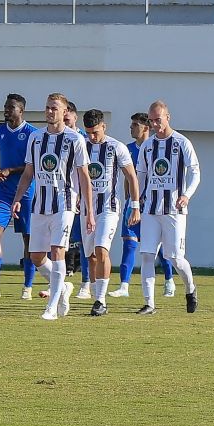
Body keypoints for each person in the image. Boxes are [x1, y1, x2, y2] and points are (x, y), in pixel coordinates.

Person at [10, 93, 93, 321]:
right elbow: (29, 172)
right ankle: (63, 287)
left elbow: (84, 176)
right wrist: (17, 198)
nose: (49, 112)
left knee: (58, 252)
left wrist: (89, 210)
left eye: (54, 108)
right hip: (40, 204)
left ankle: (51, 306)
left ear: (64, 111)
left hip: (64, 204)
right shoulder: (36, 138)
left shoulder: (74, 139)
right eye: (47, 107)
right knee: (36, 256)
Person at [134, 101, 201, 316]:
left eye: (158, 120)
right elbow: (141, 175)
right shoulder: (147, 145)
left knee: (175, 258)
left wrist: (186, 195)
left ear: (167, 117)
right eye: (151, 120)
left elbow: (195, 173)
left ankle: (190, 290)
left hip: (174, 209)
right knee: (146, 254)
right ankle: (149, 303)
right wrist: (137, 201)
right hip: (151, 209)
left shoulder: (182, 143)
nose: (155, 124)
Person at [81, 109, 141, 316]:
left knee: (101, 250)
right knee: (91, 256)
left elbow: (132, 177)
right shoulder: (81, 147)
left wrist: (135, 205)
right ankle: (95, 294)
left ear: (104, 127)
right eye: (88, 132)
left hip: (109, 208)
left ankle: (100, 300)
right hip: (86, 209)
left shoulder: (117, 147)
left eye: (95, 132)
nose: (91, 136)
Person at [111, 112, 176, 298]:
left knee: (159, 247)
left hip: (154, 206)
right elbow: (127, 178)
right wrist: (129, 202)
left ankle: (169, 280)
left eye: (135, 125)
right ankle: (124, 285)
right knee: (129, 243)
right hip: (134, 205)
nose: (131, 128)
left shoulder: (155, 148)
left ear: (146, 128)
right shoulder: (127, 149)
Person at [0, 94, 39, 299]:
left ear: (21, 110)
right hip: (2, 192)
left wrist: (10, 170)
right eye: (5, 106)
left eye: (11, 107)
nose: (6, 110)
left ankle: (27, 286)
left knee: (28, 238)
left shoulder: (33, 134)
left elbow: (34, 166)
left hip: (26, 192)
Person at [63, 100, 92, 298]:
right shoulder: (55, 137)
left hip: (80, 198)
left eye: (67, 118)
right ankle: (59, 281)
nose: (64, 122)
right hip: (62, 198)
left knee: (83, 241)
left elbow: (85, 173)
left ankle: (86, 283)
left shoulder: (83, 139)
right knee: (59, 241)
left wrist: (83, 196)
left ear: (74, 116)